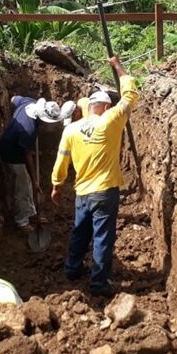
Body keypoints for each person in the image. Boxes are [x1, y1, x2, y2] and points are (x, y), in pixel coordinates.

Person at [51, 56, 139, 297]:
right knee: (102, 237)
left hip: (82, 192)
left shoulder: (71, 129)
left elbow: (62, 159)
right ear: (107, 107)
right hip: (105, 191)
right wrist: (119, 66)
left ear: (86, 108)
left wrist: (56, 185)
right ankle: (99, 283)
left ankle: (72, 269)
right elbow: (130, 95)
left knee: (80, 231)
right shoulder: (110, 121)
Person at [0, 96, 74, 233]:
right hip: (11, 154)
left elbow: (13, 99)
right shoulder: (28, 130)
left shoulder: (28, 103)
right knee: (23, 187)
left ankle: (32, 213)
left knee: (26, 185)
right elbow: (27, 157)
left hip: (16, 143)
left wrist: (13, 121)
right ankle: (21, 221)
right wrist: (35, 180)